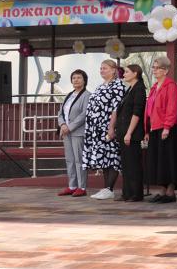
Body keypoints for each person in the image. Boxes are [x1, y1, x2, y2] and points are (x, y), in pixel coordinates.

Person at [144, 55, 177, 204]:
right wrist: (147, 130)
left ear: (166, 70)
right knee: (158, 161)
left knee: (168, 160)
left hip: (167, 128)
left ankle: (170, 192)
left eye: (158, 68)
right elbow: (149, 110)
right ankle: (162, 190)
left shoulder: (171, 86)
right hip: (155, 128)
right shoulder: (154, 87)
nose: (154, 70)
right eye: (153, 68)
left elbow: (172, 107)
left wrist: (167, 127)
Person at [83, 60, 126, 200]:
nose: (102, 70)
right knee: (104, 157)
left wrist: (111, 127)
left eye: (105, 68)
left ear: (114, 70)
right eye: (101, 68)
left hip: (108, 126)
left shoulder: (118, 85)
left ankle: (109, 188)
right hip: (97, 129)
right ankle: (107, 188)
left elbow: (116, 108)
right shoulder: (100, 86)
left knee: (112, 156)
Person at [113, 64, 146, 202]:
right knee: (126, 164)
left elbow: (136, 113)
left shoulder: (139, 89)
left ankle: (136, 194)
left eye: (127, 72)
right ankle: (127, 192)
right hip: (123, 132)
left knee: (133, 164)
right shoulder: (130, 89)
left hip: (132, 133)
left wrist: (129, 133)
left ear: (135, 73)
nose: (124, 74)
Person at [58, 69, 89, 197]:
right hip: (66, 132)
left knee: (79, 159)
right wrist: (62, 124)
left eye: (79, 78)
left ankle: (82, 187)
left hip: (78, 132)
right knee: (70, 159)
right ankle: (72, 186)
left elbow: (84, 114)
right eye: (74, 78)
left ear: (84, 80)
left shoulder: (87, 95)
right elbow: (60, 113)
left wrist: (69, 127)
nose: (76, 80)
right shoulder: (69, 95)